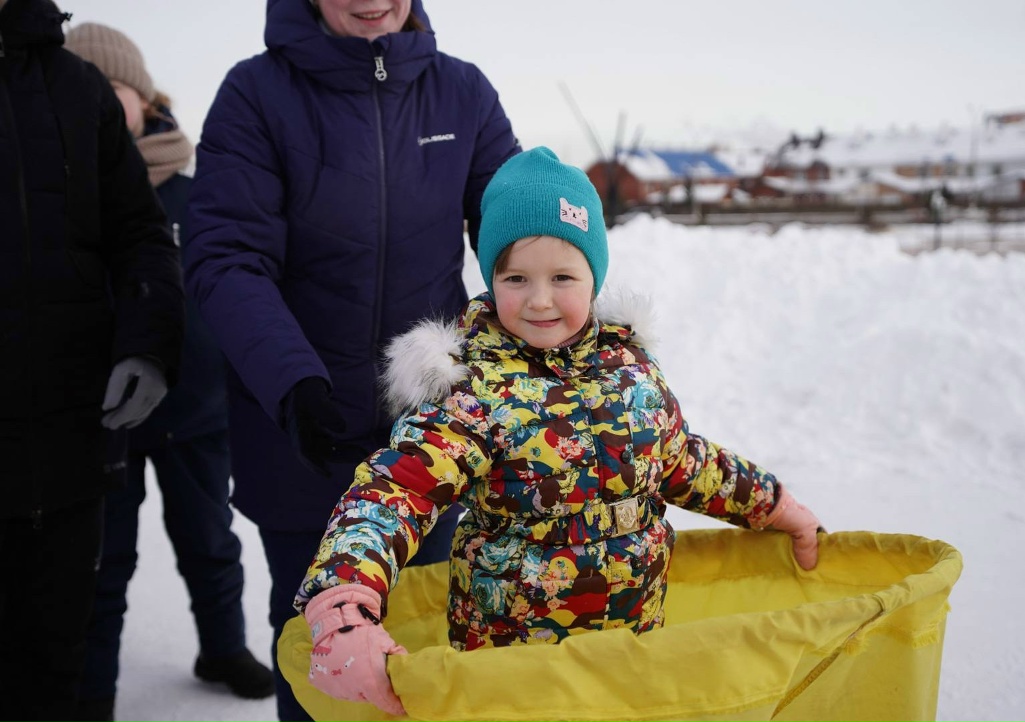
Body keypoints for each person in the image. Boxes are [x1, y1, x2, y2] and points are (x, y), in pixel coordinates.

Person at [291, 147, 825, 714]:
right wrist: (344, 604)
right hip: (511, 671)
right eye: (516, 276)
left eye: (562, 276)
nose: (539, 299)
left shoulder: (630, 372)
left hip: (629, 656)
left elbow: (683, 462)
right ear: (491, 277)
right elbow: (396, 492)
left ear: (594, 278)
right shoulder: (473, 390)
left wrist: (775, 505)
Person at [183, 1, 520, 719]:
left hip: (428, 438)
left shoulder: (462, 92)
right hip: (304, 431)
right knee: (323, 657)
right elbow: (226, 255)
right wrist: (291, 378)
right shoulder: (255, 95)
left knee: (427, 640)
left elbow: (521, 234)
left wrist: (558, 327)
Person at [63, 22, 274, 722]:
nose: (97, 99)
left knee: (212, 542)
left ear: (144, 97)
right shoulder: (61, 194)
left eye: (112, 88)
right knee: (103, 565)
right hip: (101, 419)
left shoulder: (194, 191)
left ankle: (222, 648)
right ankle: (92, 691)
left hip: (196, 413)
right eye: (81, 85)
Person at [0, 1, 185, 720]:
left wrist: (147, 344)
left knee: (56, 666)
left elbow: (140, 234)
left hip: (70, 447)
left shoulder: (78, 90)